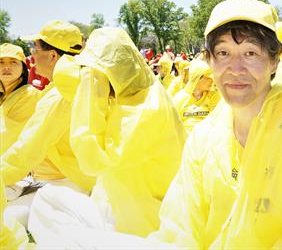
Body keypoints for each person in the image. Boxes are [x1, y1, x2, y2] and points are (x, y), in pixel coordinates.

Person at [151, 0, 282, 249]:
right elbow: (178, 230)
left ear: (274, 60)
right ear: (209, 60)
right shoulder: (203, 137)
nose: (235, 68)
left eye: (250, 53)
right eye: (223, 53)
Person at [28, 27, 185, 241]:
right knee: (47, 199)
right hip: (127, 210)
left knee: (50, 211)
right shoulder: (142, 96)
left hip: (147, 227)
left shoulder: (143, 111)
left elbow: (90, 160)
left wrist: (93, 92)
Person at [1, 20, 95, 227]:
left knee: (6, 222)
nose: (31, 55)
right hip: (63, 181)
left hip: (63, 185)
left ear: (52, 55)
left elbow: (27, 150)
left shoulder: (59, 95)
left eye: (35, 48)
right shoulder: (75, 84)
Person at [0, 43, 41, 154]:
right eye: (1, 62)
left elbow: (7, 135)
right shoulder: (3, 93)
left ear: (23, 68)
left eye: (13, 62)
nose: (6, 67)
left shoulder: (30, 95)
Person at [172, 57, 220, 135]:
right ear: (198, 78)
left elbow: (217, 123)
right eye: (208, 77)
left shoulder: (214, 96)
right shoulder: (179, 98)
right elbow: (173, 126)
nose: (212, 80)